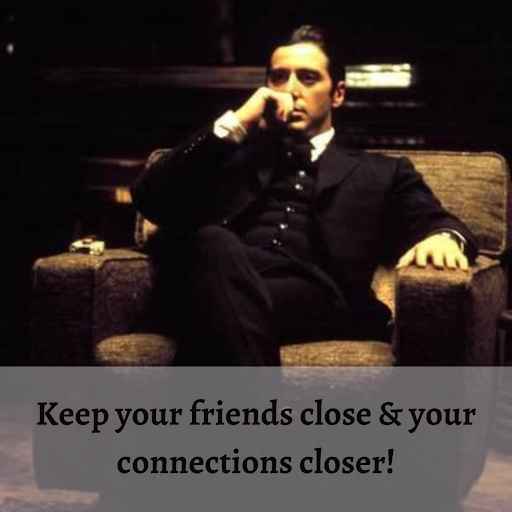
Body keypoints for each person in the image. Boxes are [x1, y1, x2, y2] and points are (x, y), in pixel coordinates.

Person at [131, 25, 477, 366]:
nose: (291, 89)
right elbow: (150, 197)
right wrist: (238, 121)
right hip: (220, 275)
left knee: (212, 304)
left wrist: (445, 238)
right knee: (213, 245)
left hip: (315, 298)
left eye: (308, 78)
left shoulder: (382, 172)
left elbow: (438, 222)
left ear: (337, 94)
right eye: (279, 78)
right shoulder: (230, 153)